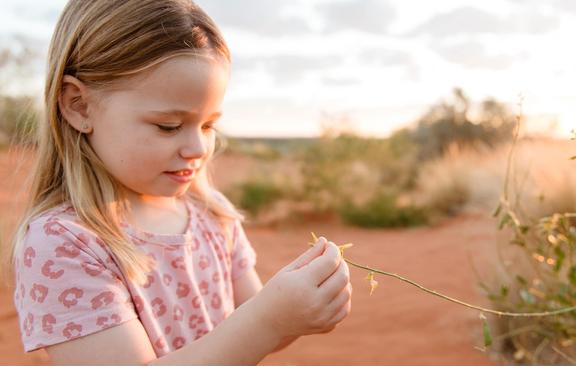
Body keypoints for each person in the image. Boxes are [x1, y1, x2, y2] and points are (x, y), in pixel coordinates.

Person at [10, 1, 352, 365]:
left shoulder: (212, 213)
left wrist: (295, 309)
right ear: (79, 106)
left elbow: (252, 327)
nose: (198, 148)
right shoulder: (63, 243)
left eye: (208, 126)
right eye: (168, 126)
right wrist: (269, 319)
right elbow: (258, 324)